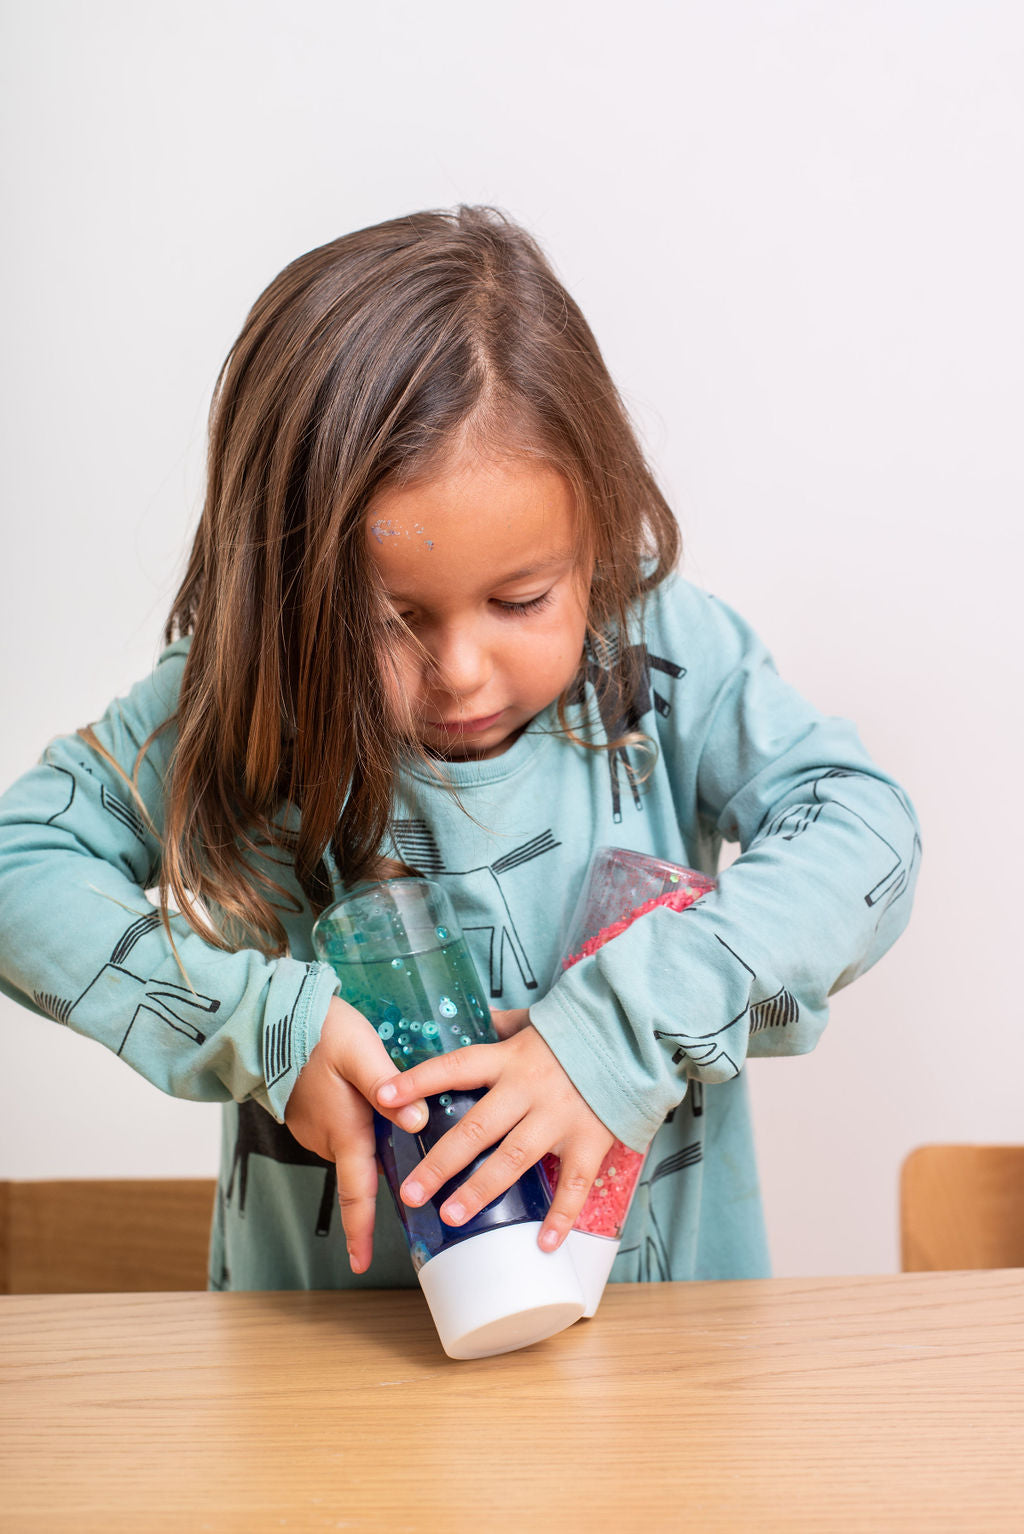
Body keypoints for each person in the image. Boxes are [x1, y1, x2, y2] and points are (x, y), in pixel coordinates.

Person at [0, 206, 921, 1291]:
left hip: (669, 1379)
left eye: (520, 598)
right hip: (324, 1394)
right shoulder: (255, 690)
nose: (461, 671)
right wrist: (261, 1026)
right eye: (385, 621)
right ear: (286, 594)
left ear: (596, 534)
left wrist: (620, 1028)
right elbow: (23, 867)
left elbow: (863, 829)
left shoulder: (660, 656)